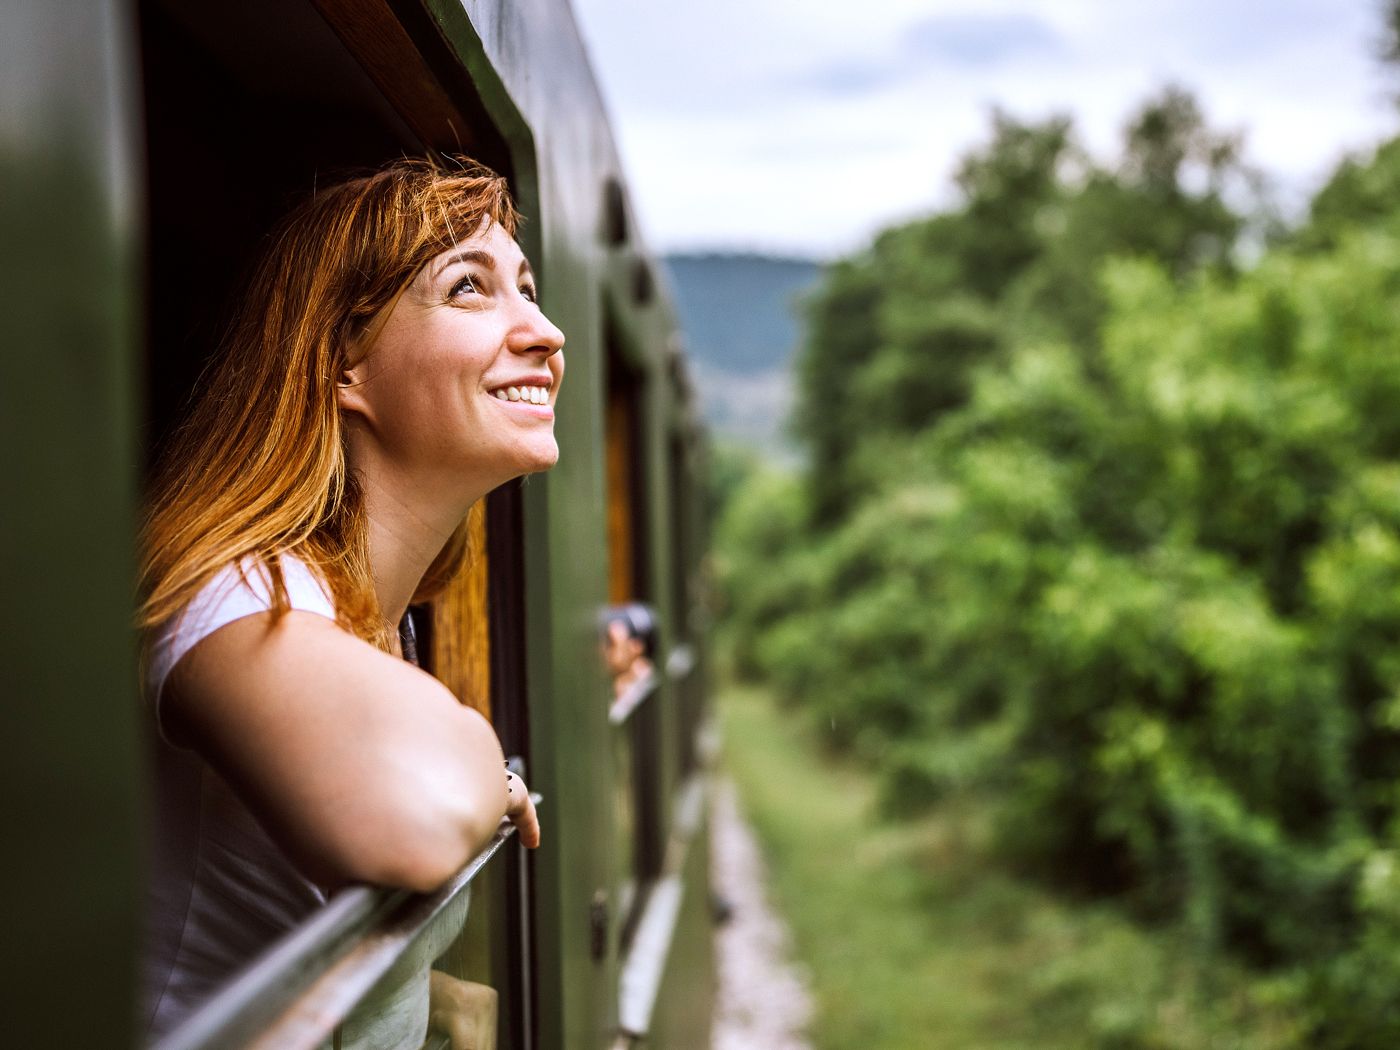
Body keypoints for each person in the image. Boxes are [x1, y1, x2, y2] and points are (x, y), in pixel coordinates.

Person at [136, 157, 559, 1045]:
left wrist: (437, 1001)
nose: (546, 332)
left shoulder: (367, 612)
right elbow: (413, 814)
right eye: (470, 289)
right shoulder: (242, 590)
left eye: (528, 287)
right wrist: (485, 764)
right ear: (344, 364)